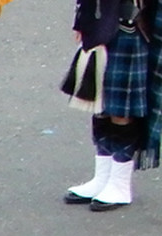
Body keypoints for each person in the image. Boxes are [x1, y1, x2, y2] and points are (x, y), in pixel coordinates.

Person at [59, 0, 159, 209]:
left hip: (130, 26)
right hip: (99, 22)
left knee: (121, 110)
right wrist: (81, 20)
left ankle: (120, 183)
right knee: (99, 104)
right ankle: (102, 177)